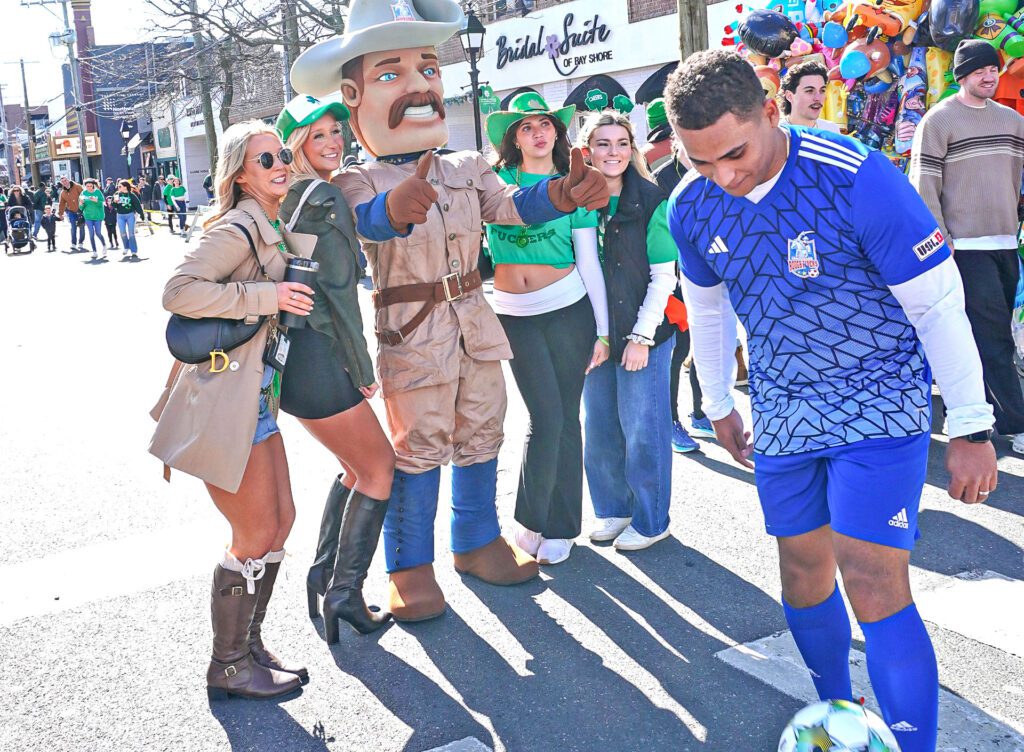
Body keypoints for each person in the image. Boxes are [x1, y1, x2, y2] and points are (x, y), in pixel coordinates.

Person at [664, 50, 998, 752]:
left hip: (880, 397)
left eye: (734, 153)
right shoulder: (690, 206)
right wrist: (719, 397)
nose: (723, 176)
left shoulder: (856, 177)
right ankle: (840, 726)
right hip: (784, 408)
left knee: (873, 577)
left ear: (768, 106)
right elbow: (710, 305)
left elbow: (938, 303)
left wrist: (970, 424)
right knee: (802, 571)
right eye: (702, 163)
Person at [293, 0, 608, 622]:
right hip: (412, 332)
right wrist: (392, 210)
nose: (419, 86)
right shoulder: (355, 180)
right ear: (352, 95)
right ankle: (408, 567)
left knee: (480, 433)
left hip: (475, 323)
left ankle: (475, 542)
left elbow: (511, 206)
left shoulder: (467, 165)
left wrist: (560, 194)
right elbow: (365, 227)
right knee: (418, 448)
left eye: (428, 68)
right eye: (391, 74)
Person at [149, 120, 313, 701]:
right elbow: (178, 291)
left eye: (283, 154)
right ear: (240, 171)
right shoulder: (238, 227)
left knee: (281, 521)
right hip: (225, 399)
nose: (280, 165)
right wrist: (268, 297)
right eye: (266, 159)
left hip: (256, 397)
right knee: (253, 531)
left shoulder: (268, 220)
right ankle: (228, 663)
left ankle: (249, 644)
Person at [275, 93, 396, 643]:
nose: (333, 142)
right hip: (323, 355)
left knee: (354, 467)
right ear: (297, 144)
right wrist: (362, 366)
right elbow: (340, 296)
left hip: (294, 364)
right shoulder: (323, 197)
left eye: (335, 132)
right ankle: (344, 593)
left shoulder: (282, 196)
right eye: (318, 135)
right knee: (379, 469)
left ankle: (323, 576)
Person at [483, 93, 609, 565]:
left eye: (545, 125)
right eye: (525, 126)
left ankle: (559, 525)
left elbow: (589, 261)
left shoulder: (573, 185)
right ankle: (532, 519)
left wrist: (603, 331)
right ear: (514, 138)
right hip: (514, 313)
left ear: (557, 133)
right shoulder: (494, 186)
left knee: (564, 417)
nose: (538, 132)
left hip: (568, 308)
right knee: (544, 417)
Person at [910, 39, 1024, 455]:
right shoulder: (939, 121)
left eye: (993, 68)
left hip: (1005, 243)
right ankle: (1015, 422)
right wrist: (942, 241)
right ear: (961, 75)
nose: (989, 76)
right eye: (979, 70)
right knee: (993, 335)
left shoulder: (1013, 122)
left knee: (988, 334)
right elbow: (922, 187)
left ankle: (976, 413)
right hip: (964, 248)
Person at [576, 109, 678, 551]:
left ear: (631, 149)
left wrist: (641, 337)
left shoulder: (653, 200)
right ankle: (613, 509)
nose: (613, 152)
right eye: (603, 143)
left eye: (621, 143)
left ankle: (652, 520)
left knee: (642, 428)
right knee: (598, 424)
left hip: (645, 333)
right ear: (587, 151)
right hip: (596, 335)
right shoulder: (575, 200)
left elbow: (664, 277)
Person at [778, 61, 842, 133]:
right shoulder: (777, 133)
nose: (818, 98)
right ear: (789, 96)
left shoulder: (831, 130)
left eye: (822, 90)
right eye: (809, 91)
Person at [112, 179, 146, 260]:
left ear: (125, 187)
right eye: (118, 186)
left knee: (131, 233)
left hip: (130, 215)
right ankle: (126, 247)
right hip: (120, 215)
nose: (118, 187)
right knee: (122, 232)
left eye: (120, 186)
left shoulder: (131, 195)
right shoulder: (117, 194)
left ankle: (133, 250)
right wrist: (114, 202)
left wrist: (141, 214)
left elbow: (137, 204)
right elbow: (114, 206)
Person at [80, 178, 107, 260]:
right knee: (91, 233)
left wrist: (96, 201)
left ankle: (104, 245)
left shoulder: (98, 192)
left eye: (90, 186)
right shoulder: (83, 193)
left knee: (98, 233)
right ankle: (94, 251)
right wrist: (81, 204)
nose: (89, 188)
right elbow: (81, 207)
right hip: (88, 216)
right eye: (87, 186)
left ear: (93, 185)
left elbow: (103, 203)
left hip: (98, 216)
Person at [57, 176, 85, 252]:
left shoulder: (77, 186)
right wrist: (60, 214)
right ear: (61, 183)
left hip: (81, 210)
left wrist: (85, 207)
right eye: (63, 181)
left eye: (65, 180)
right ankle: (73, 243)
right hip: (71, 211)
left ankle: (81, 242)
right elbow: (61, 204)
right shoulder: (63, 192)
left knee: (81, 227)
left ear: (68, 180)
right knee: (73, 227)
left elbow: (84, 196)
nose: (64, 182)